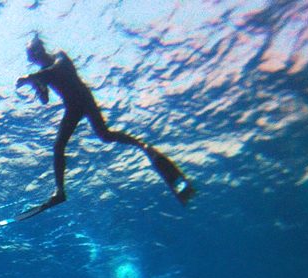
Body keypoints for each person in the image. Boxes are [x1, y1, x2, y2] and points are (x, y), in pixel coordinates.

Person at [15, 35, 195, 217]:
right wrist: (38, 86)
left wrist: (33, 78)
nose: (36, 60)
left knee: (105, 135)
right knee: (59, 146)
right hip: (72, 107)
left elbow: (58, 70)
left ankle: (143, 146)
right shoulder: (42, 74)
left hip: (84, 100)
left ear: (42, 50)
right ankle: (60, 191)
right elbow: (45, 99)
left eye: (35, 55)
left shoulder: (59, 58)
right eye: (32, 59)